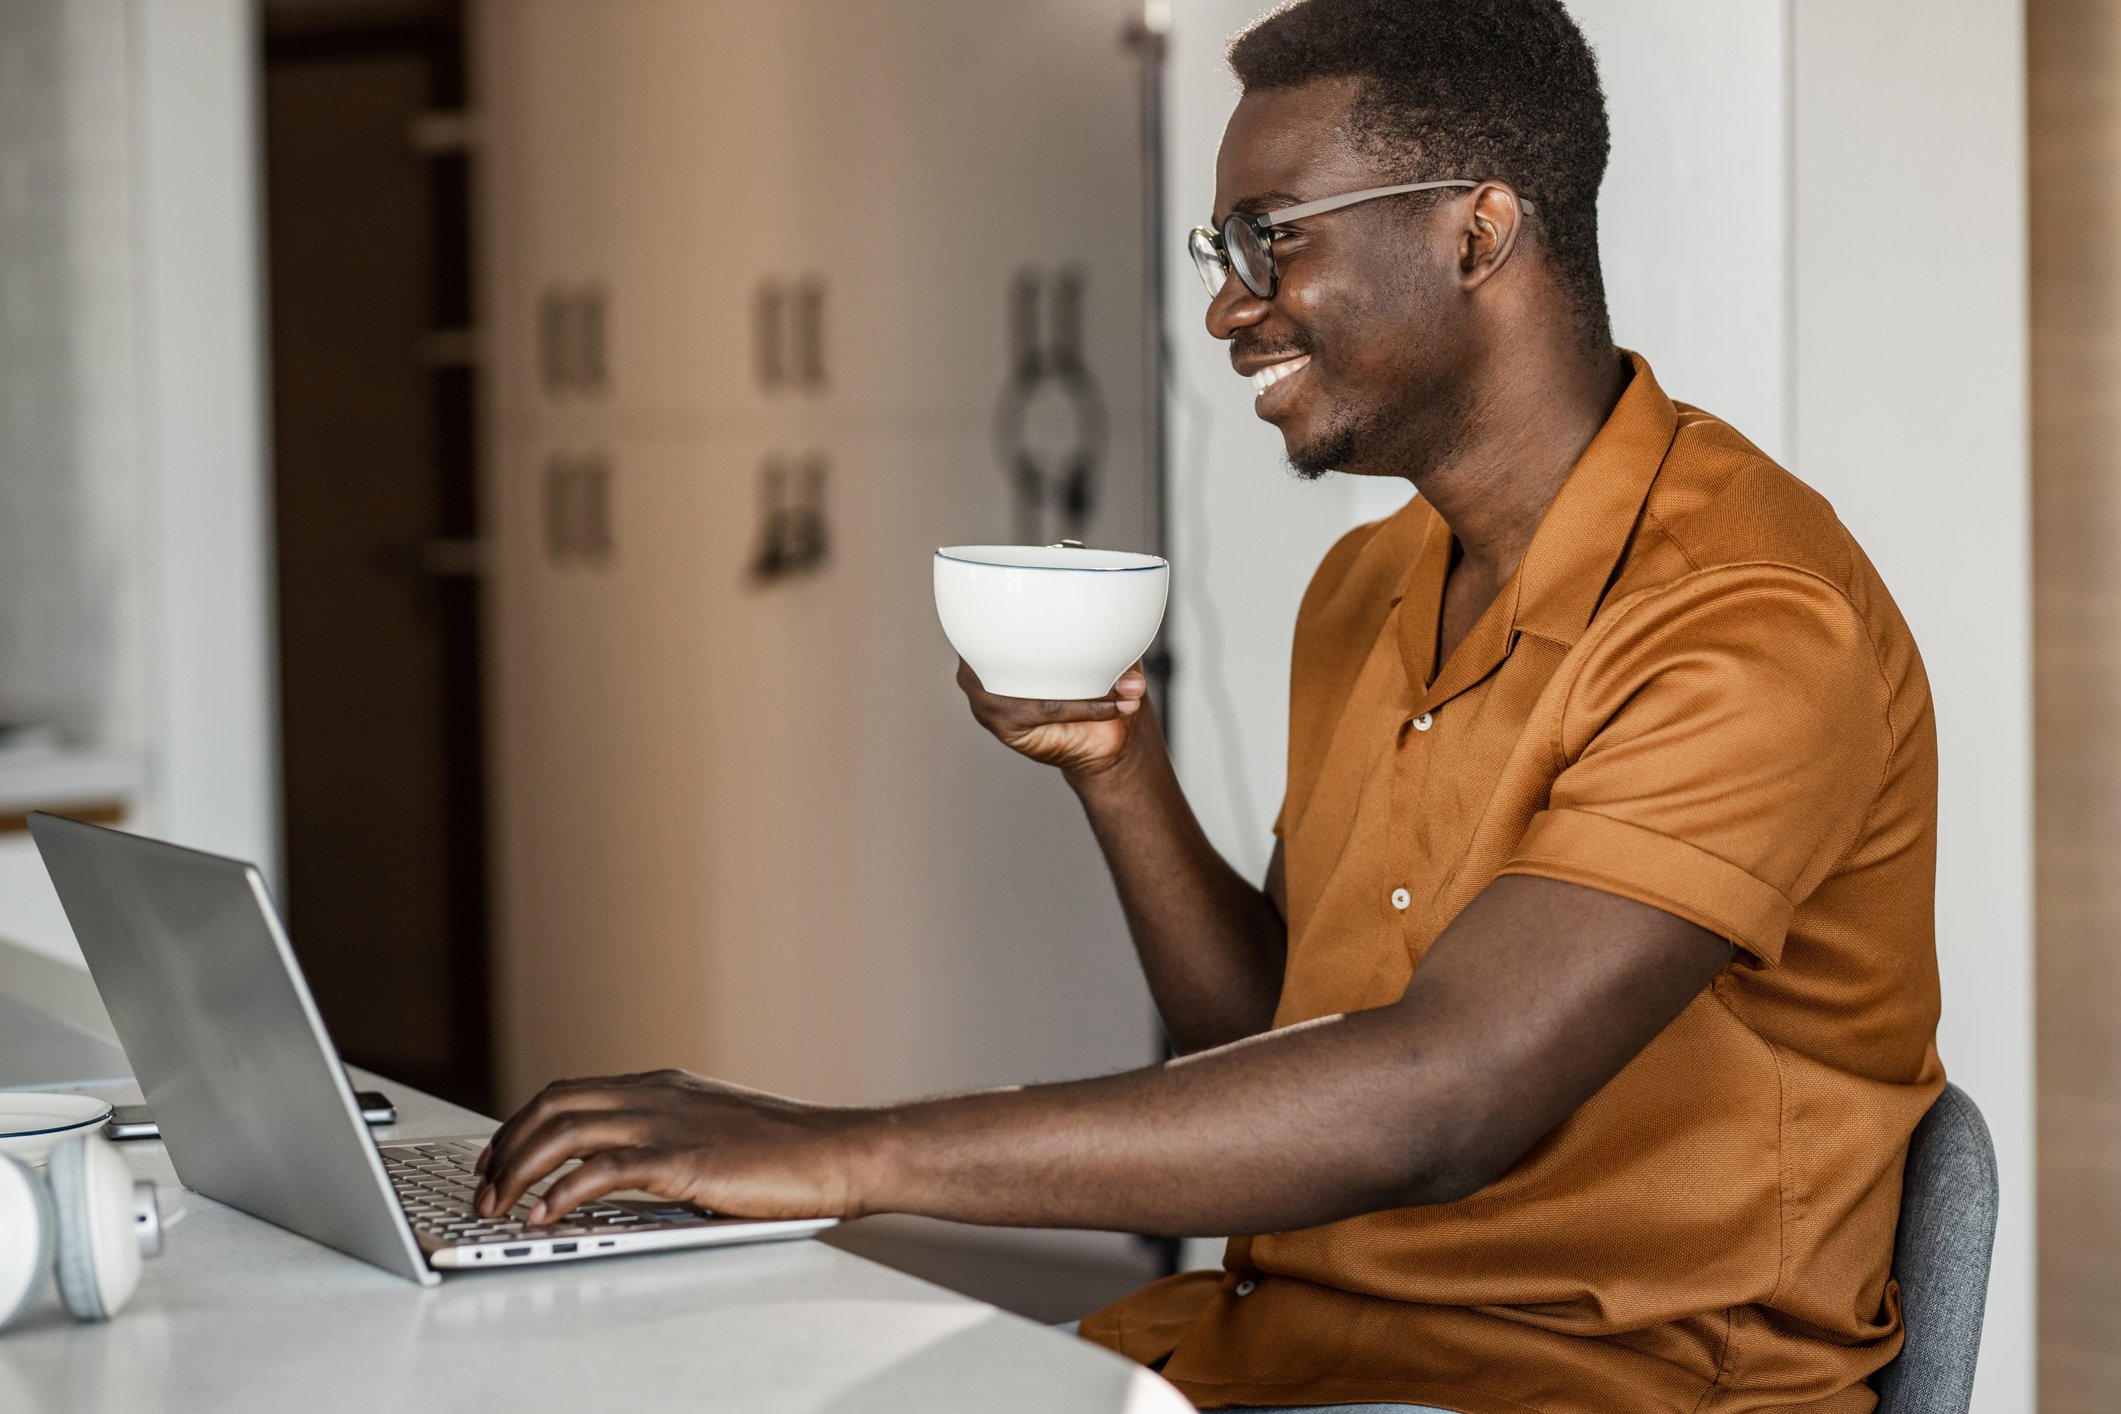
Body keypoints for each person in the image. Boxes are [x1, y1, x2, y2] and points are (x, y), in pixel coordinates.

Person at [473, 2, 1944, 1409]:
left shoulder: (1743, 623)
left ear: (1476, 231)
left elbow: (1439, 1100)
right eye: (1219, 246)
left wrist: (837, 1152)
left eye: (1272, 239)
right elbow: (1264, 1031)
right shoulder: (1372, 582)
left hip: (1577, 1387)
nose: (1230, 307)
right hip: (1269, 1349)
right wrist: (1116, 769)